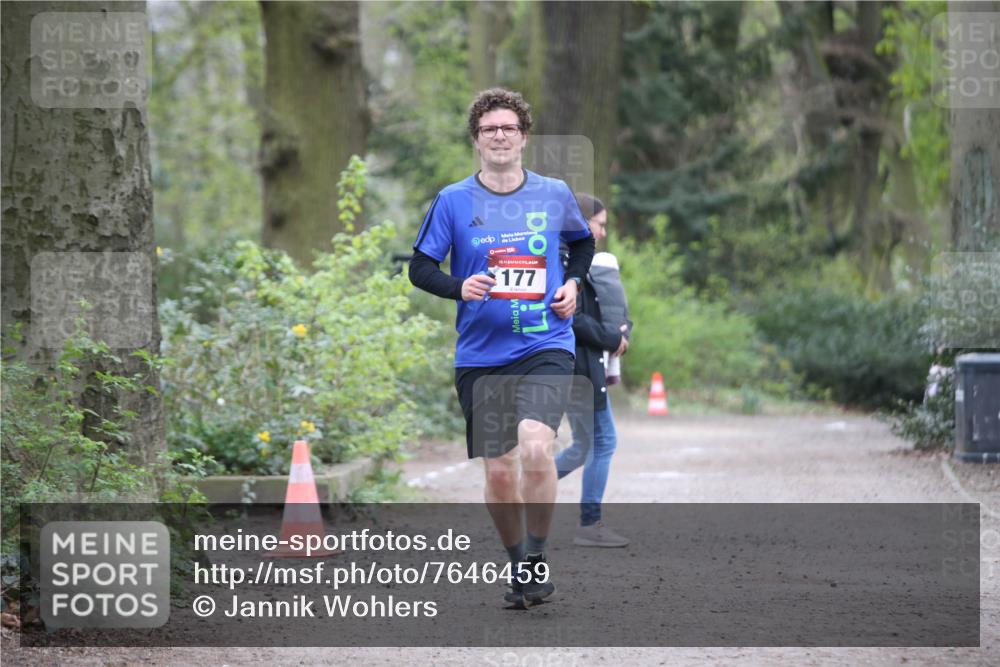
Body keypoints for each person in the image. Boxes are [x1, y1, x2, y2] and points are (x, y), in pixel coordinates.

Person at [408, 88, 595, 608]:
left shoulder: (553, 193)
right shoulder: (453, 201)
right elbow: (420, 267)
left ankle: (536, 557)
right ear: (476, 139)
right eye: (489, 129)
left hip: (546, 343)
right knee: (498, 468)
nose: (499, 136)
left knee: (535, 447)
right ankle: (518, 566)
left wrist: (573, 284)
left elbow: (583, 243)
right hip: (481, 356)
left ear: (524, 137)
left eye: (508, 127)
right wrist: (458, 287)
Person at [556, 194, 631, 548]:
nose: (602, 232)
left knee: (584, 445)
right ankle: (589, 525)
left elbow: (603, 309)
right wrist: (611, 338)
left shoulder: (575, 259)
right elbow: (572, 318)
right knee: (602, 442)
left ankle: (524, 490)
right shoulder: (563, 261)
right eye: (599, 224)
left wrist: (622, 331)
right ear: (582, 221)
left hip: (583, 368)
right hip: (578, 369)